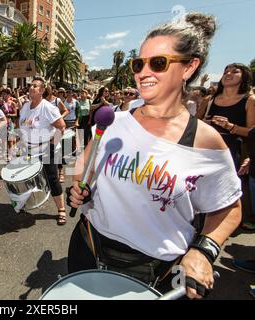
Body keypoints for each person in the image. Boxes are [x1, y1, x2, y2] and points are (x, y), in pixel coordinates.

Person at [67, 12, 242, 299]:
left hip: (153, 269)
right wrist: (82, 187)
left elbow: (230, 208)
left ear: (189, 67)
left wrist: (203, 250)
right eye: (139, 63)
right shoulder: (115, 120)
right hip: (89, 244)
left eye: (158, 63)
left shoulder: (204, 141)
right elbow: (85, 165)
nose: (143, 72)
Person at [19, 77, 67, 225]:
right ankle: (27, 203)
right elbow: (22, 124)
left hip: (45, 149)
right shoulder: (26, 106)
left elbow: (61, 127)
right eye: (30, 85)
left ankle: (61, 210)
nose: (31, 87)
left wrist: (51, 146)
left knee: (52, 179)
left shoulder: (48, 107)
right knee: (27, 177)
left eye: (35, 86)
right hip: (29, 148)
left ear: (42, 90)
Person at [204, 63, 255, 170]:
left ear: (244, 77)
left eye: (235, 71)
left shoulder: (250, 100)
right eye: (226, 72)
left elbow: (251, 132)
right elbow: (195, 120)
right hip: (204, 149)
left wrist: (230, 127)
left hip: (230, 153)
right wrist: (203, 123)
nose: (228, 73)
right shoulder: (209, 99)